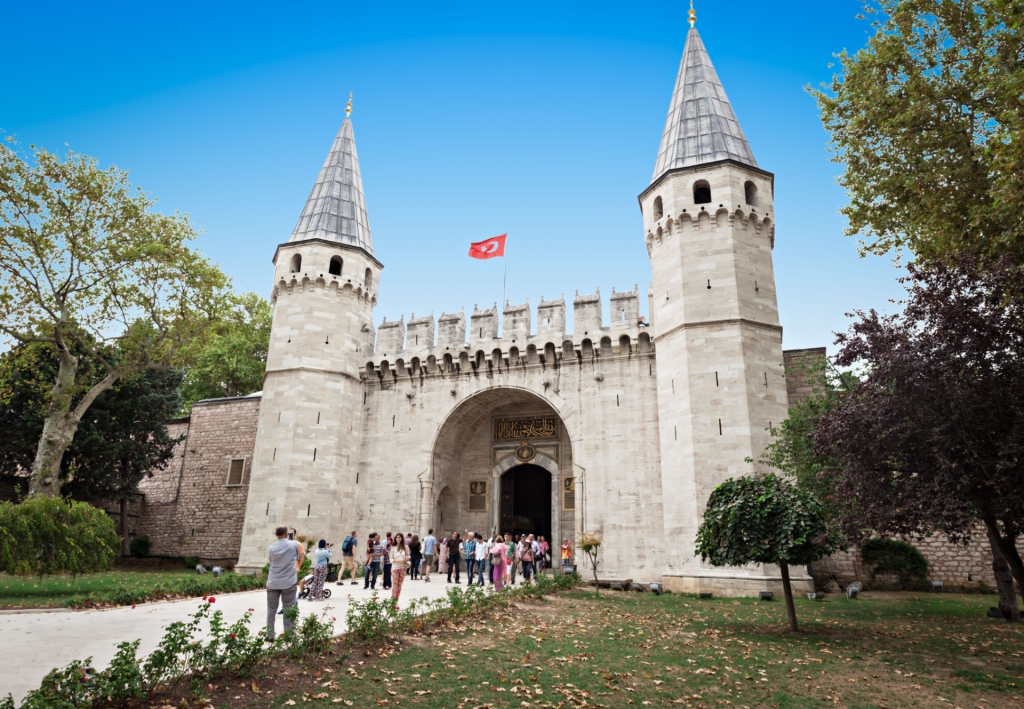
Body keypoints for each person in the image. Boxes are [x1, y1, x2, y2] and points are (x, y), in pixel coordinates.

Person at [266, 525, 301, 640]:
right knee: (288, 609)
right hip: (288, 582)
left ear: (276, 535)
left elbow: (271, 561)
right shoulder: (294, 545)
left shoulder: (271, 548)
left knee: (271, 610)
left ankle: (270, 635)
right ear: (287, 534)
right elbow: (297, 557)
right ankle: (289, 635)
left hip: (273, 582)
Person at [389, 533, 411, 606]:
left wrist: (407, 558)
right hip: (395, 568)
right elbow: (390, 559)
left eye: (399, 537)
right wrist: (398, 561)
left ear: (402, 538)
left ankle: (396, 602)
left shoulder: (405, 547)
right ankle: (393, 603)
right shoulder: (393, 548)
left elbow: (408, 555)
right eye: (397, 537)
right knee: (395, 586)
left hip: (403, 568)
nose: (398, 539)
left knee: (399, 586)